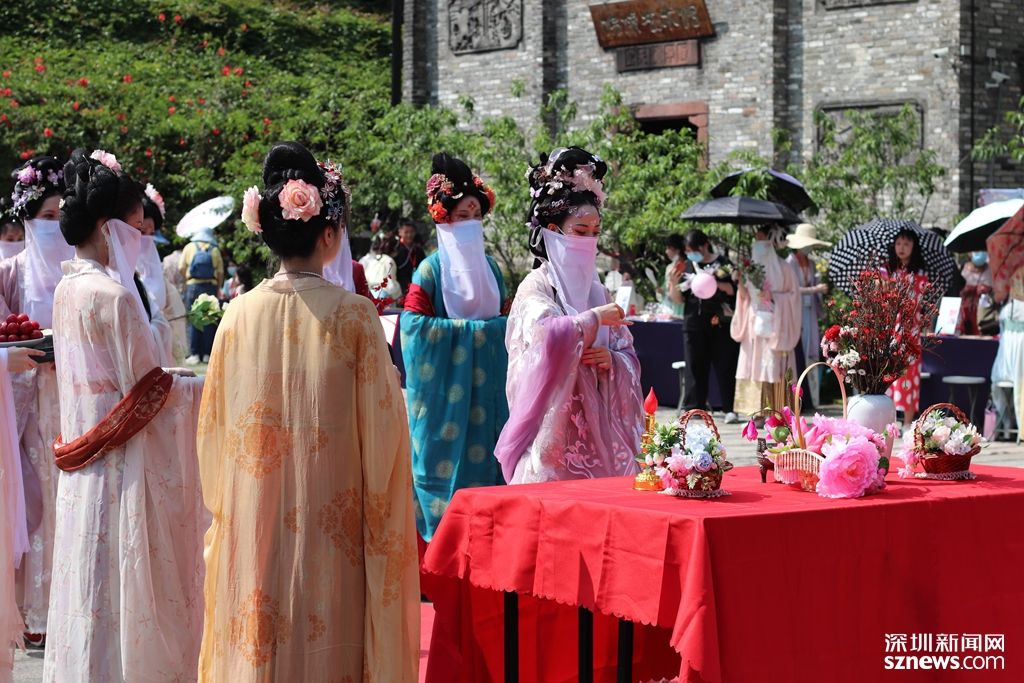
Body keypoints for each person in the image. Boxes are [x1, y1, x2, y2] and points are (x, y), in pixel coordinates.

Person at [201, 141, 417, 681]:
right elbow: (385, 439)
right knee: (331, 639)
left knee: (261, 640)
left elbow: (213, 435)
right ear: (328, 235)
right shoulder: (356, 318)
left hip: (258, 518)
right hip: (333, 526)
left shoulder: (237, 316)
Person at [43, 149, 205, 682]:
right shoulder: (113, 295)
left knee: (88, 586)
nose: (140, 237)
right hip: (123, 469)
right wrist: (203, 385)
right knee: (124, 585)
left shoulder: (68, 289)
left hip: (83, 464)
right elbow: (149, 391)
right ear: (109, 227)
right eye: (135, 226)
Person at [495, 147, 642, 484]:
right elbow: (543, 338)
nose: (588, 240)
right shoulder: (536, 286)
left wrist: (613, 359)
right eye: (579, 231)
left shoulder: (598, 290)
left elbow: (627, 352)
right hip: (551, 439)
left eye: (595, 232)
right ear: (552, 230)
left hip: (603, 437)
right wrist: (591, 321)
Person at [401, 153, 510, 540]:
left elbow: (513, 323)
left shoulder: (493, 269)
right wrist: (478, 332)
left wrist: (494, 329)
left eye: (476, 215)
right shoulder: (430, 270)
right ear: (444, 217)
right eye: (463, 215)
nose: (471, 223)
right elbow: (412, 327)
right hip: (442, 403)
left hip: (491, 398)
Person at [0, 154, 71, 646]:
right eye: (46, 218)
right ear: (27, 220)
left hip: (69, 401)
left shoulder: (77, 269)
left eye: (60, 218)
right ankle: (30, 611)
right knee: (31, 503)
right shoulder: (11, 272)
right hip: (24, 410)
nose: (54, 227)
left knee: (68, 499)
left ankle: (64, 605)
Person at [730, 224, 802, 416]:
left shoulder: (784, 268)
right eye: (756, 240)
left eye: (761, 239)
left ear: (769, 241)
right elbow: (745, 298)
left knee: (774, 363)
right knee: (753, 363)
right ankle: (755, 411)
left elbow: (794, 296)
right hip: (754, 323)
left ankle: (779, 411)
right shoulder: (750, 268)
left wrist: (774, 297)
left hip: (776, 325)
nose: (758, 243)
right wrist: (739, 283)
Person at [674, 229, 740, 422]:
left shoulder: (724, 264)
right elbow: (679, 298)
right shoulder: (686, 266)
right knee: (695, 366)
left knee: (725, 365)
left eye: (694, 249)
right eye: (688, 250)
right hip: (694, 322)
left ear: (705, 245)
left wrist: (715, 283)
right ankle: (695, 407)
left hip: (720, 323)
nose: (691, 253)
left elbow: (733, 290)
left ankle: (730, 408)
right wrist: (672, 283)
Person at [140, 184, 190, 365]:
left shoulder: (157, 270)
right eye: (140, 232)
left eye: (151, 233)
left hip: (161, 356)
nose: (146, 239)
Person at [886, 228, 930, 427]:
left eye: (907, 244)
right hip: (890, 330)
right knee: (888, 373)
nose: (902, 248)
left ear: (914, 247)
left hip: (911, 330)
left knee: (910, 373)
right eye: (899, 243)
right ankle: (890, 419)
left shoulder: (920, 273)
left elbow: (919, 301)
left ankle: (908, 422)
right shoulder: (887, 271)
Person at [785, 223, 831, 409]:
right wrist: (815, 289)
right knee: (799, 353)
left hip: (810, 310)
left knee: (812, 352)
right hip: (795, 311)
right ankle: (796, 400)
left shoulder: (811, 263)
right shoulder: (789, 262)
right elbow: (791, 289)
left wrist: (820, 288)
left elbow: (814, 287)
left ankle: (811, 399)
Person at [179, 226, 224, 363]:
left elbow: (181, 267)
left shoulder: (189, 247)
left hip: (193, 286)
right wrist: (218, 287)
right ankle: (207, 354)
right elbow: (221, 272)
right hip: (210, 286)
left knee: (194, 319)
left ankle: (194, 354)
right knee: (209, 319)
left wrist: (188, 280)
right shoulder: (215, 249)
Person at [958, 251, 995, 336]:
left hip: (985, 318)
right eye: (975, 250)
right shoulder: (962, 268)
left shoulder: (991, 270)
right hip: (964, 315)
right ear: (969, 253)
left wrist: (988, 290)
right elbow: (957, 289)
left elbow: (997, 292)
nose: (979, 252)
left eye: (981, 249)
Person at [363, 235, 402, 301]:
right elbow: (391, 284)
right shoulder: (389, 261)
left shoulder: (366, 259)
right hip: (383, 296)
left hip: (367, 295)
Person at [394, 217, 426, 294]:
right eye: (406, 232)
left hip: (415, 283)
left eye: (412, 232)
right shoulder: (395, 248)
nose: (409, 235)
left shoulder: (418, 249)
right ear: (400, 232)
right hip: (399, 284)